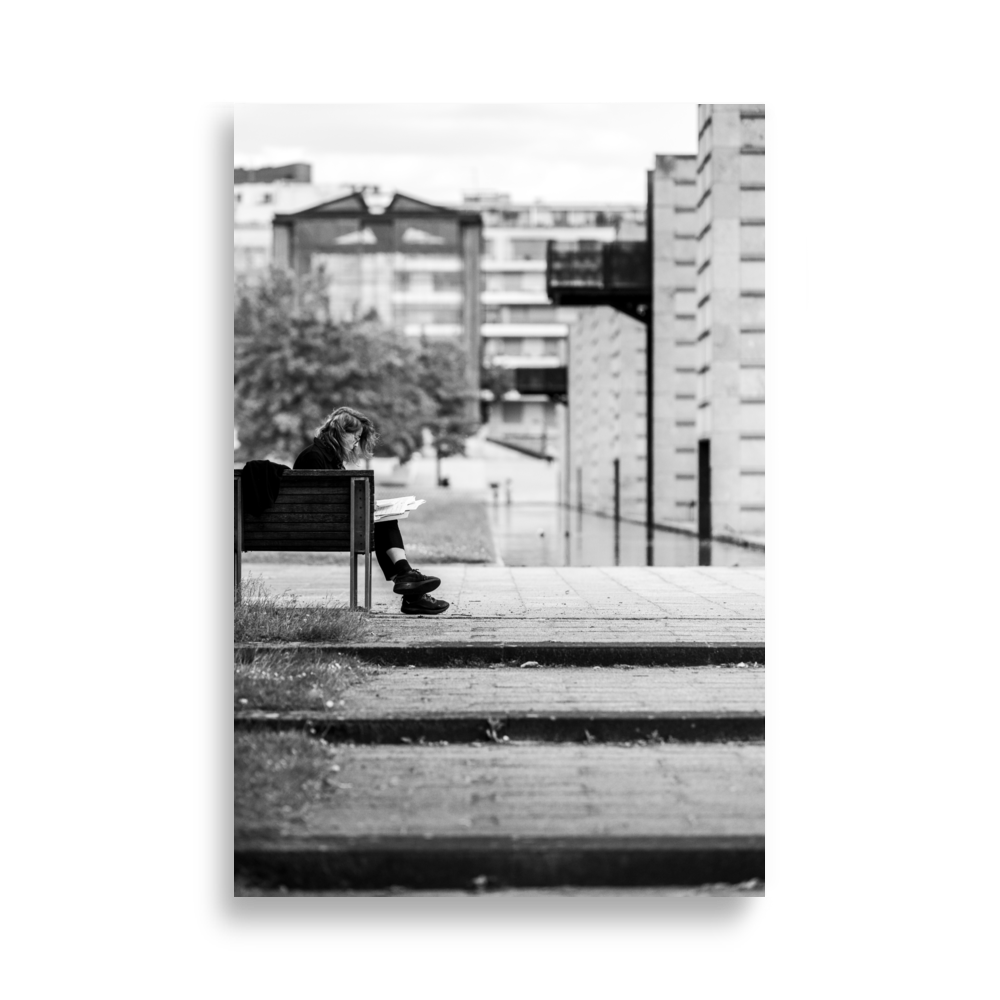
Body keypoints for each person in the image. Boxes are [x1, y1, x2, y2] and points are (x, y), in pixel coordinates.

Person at [294, 406, 449, 616]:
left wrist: (364, 503)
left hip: (322, 525)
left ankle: (410, 586)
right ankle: (407, 581)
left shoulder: (323, 456)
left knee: (384, 519)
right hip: (317, 530)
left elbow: (330, 500)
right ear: (340, 431)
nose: (355, 443)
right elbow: (320, 504)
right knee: (383, 522)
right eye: (355, 437)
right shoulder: (315, 457)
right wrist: (362, 504)